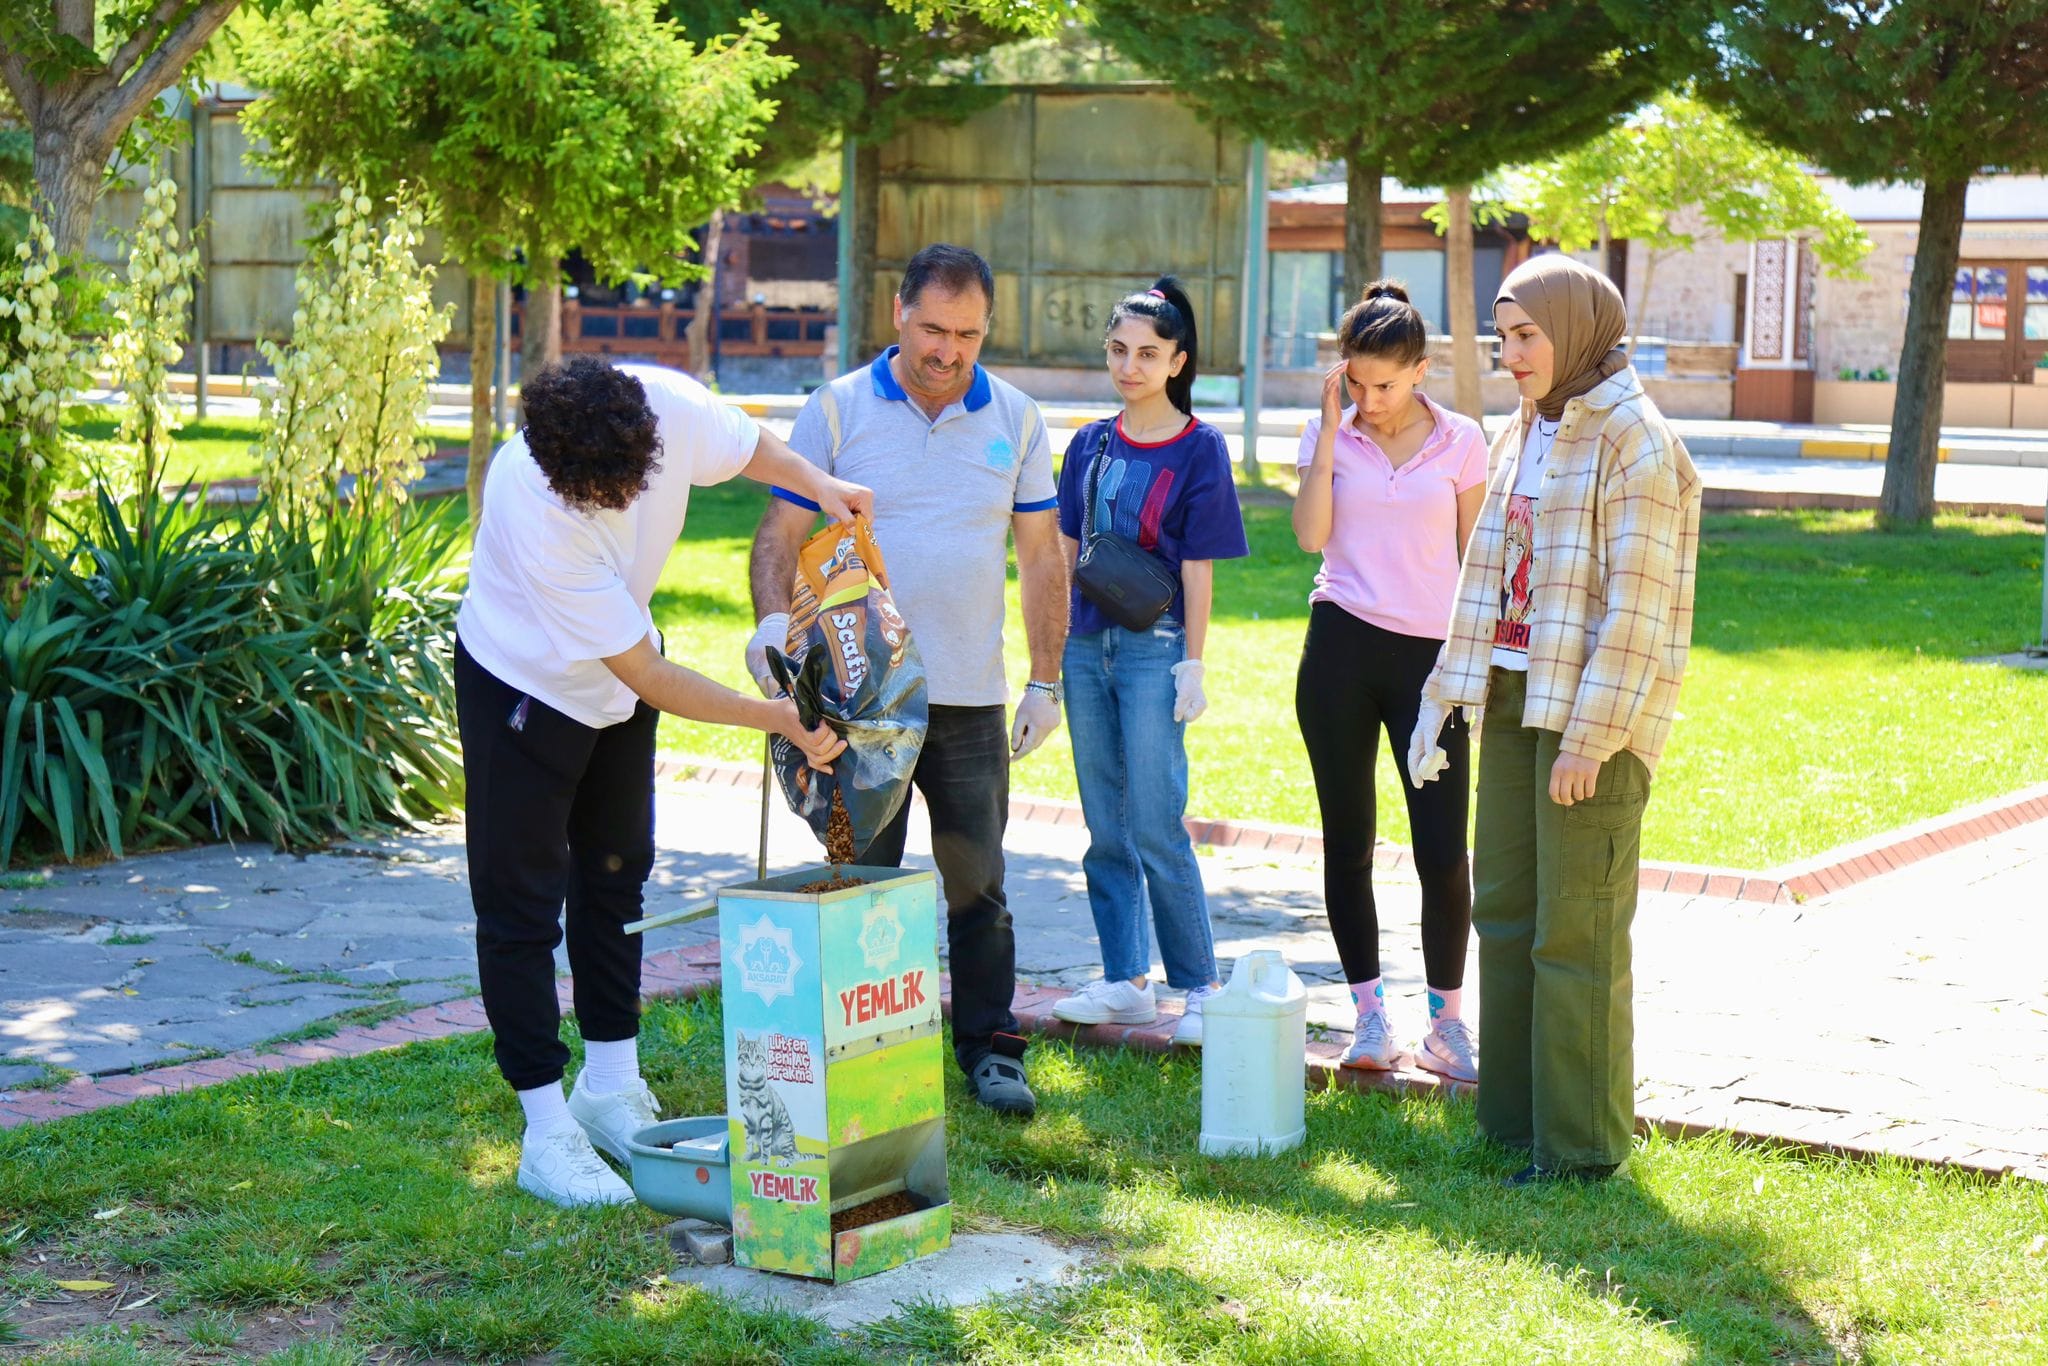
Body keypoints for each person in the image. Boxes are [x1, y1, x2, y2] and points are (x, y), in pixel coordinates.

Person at [456, 357, 868, 1208]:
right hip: (524, 687)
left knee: (617, 875)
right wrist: (778, 719)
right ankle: (544, 1130)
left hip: (616, 675)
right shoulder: (530, 500)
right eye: (596, 496)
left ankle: (609, 1083)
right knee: (521, 904)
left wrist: (820, 483)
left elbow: (750, 444)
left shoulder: (669, 405)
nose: (616, 506)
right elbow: (650, 675)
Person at [745, 244, 1069, 1118]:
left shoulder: (1017, 416)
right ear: (898, 313)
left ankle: (990, 1051)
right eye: (933, 328)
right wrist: (773, 629)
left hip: (967, 694)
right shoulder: (840, 408)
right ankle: (861, 1051)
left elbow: (1042, 555)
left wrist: (1047, 682)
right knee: (860, 882)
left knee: (979, 882)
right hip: (857, 699)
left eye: (968, 334)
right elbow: (780, 528)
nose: (948, 350)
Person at [1410, 254, 1702, 1186]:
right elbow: (1484, 577)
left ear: (1577, 331)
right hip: (1509, 698)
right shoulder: (1525, 430)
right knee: (1505, 913)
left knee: (1575, 929)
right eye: (1503, 338)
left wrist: (1591, 736)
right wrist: (1445, 697)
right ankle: (1513, 1129)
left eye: (1527, 336)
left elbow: (1641, 606)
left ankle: (1578, 1152)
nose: (1510, 354)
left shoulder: (1637, 441)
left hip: (1589, 720)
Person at [1291, 281, 1489, 1081]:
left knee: (1443, 852)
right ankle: (1368, 1017)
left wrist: (1480, 666)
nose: (1371, 400)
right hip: (1340, 646)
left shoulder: (1464, 441)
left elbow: (1477, 561)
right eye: (1358, 382)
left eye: (1387, 384)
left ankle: (1446, 1024)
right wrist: (1331, 438)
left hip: (1432, 663)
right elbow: (1311, 535)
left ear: (1421, 370)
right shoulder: (1327, 433)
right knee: (1350, 840)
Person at [1045, 277, 1248, 1046]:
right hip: (1084, 645)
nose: (1130, 366)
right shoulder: (1089, 443)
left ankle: (1198, 986)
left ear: (1177, 360)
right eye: (1119, 350)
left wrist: (1192, 662)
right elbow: (1065, 552)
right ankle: (1125, 981)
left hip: (1153, 647)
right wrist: (1050, 655)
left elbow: (1199, 566)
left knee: (1158, 821)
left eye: (1148, 353)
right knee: (1104, 822)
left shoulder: (1201, 448)